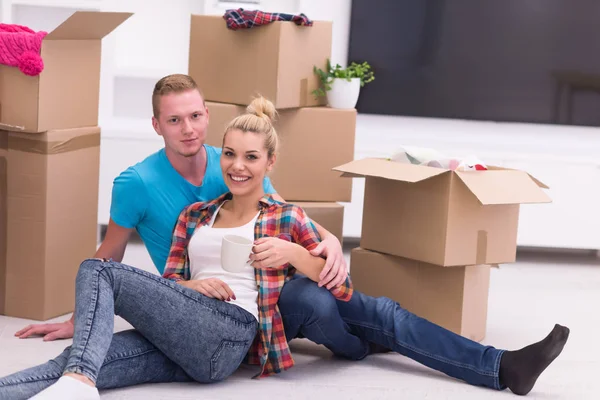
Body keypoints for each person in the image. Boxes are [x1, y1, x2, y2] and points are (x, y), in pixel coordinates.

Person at [0, 97, 354, 399]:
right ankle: (74, 381)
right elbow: (170, 281)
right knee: (76, 362)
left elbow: (341, 286)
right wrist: (190, 286)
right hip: (189, 341)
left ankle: (79, 379)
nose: (238, 166)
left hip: (231, 333)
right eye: (229, 154)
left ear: (269, 162)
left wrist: (293, 253)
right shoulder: (194, 216)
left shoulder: (286, 217)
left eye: (251, 157)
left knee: (97, 269)